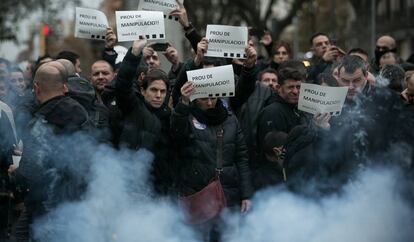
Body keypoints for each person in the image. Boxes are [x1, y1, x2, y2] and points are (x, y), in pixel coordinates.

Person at [9, 61, 90, 241]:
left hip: (46, 206)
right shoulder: (81, 112)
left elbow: (30, 172)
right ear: (65, 87)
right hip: (77, 202)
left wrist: (16, 173)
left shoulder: (39, 125)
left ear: (36, 88)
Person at [172, 80, 253, 241]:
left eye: (213, 97)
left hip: (227, 193)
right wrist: (183, 103)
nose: (209, 102)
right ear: (195, 98)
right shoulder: (187, 117)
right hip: (197, 192)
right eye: (204, 98)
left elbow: (241, 158)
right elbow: (176, 133)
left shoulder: (231, 120)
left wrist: (246, 194)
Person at [115, 39, 174, 195]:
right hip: (133, 187)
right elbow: (122, 85)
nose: (158, 95)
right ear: (142, 91)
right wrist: (134, 53)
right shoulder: (133, 108)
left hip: (162, 192)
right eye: (154, 90)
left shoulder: (171, 117)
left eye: (162, 91)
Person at [257, 65, 308, 150]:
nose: (295, 91)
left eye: (298, 87)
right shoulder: (272, 112)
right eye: (290, 87)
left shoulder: (300, 109)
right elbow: (272, 150)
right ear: (278, 88)